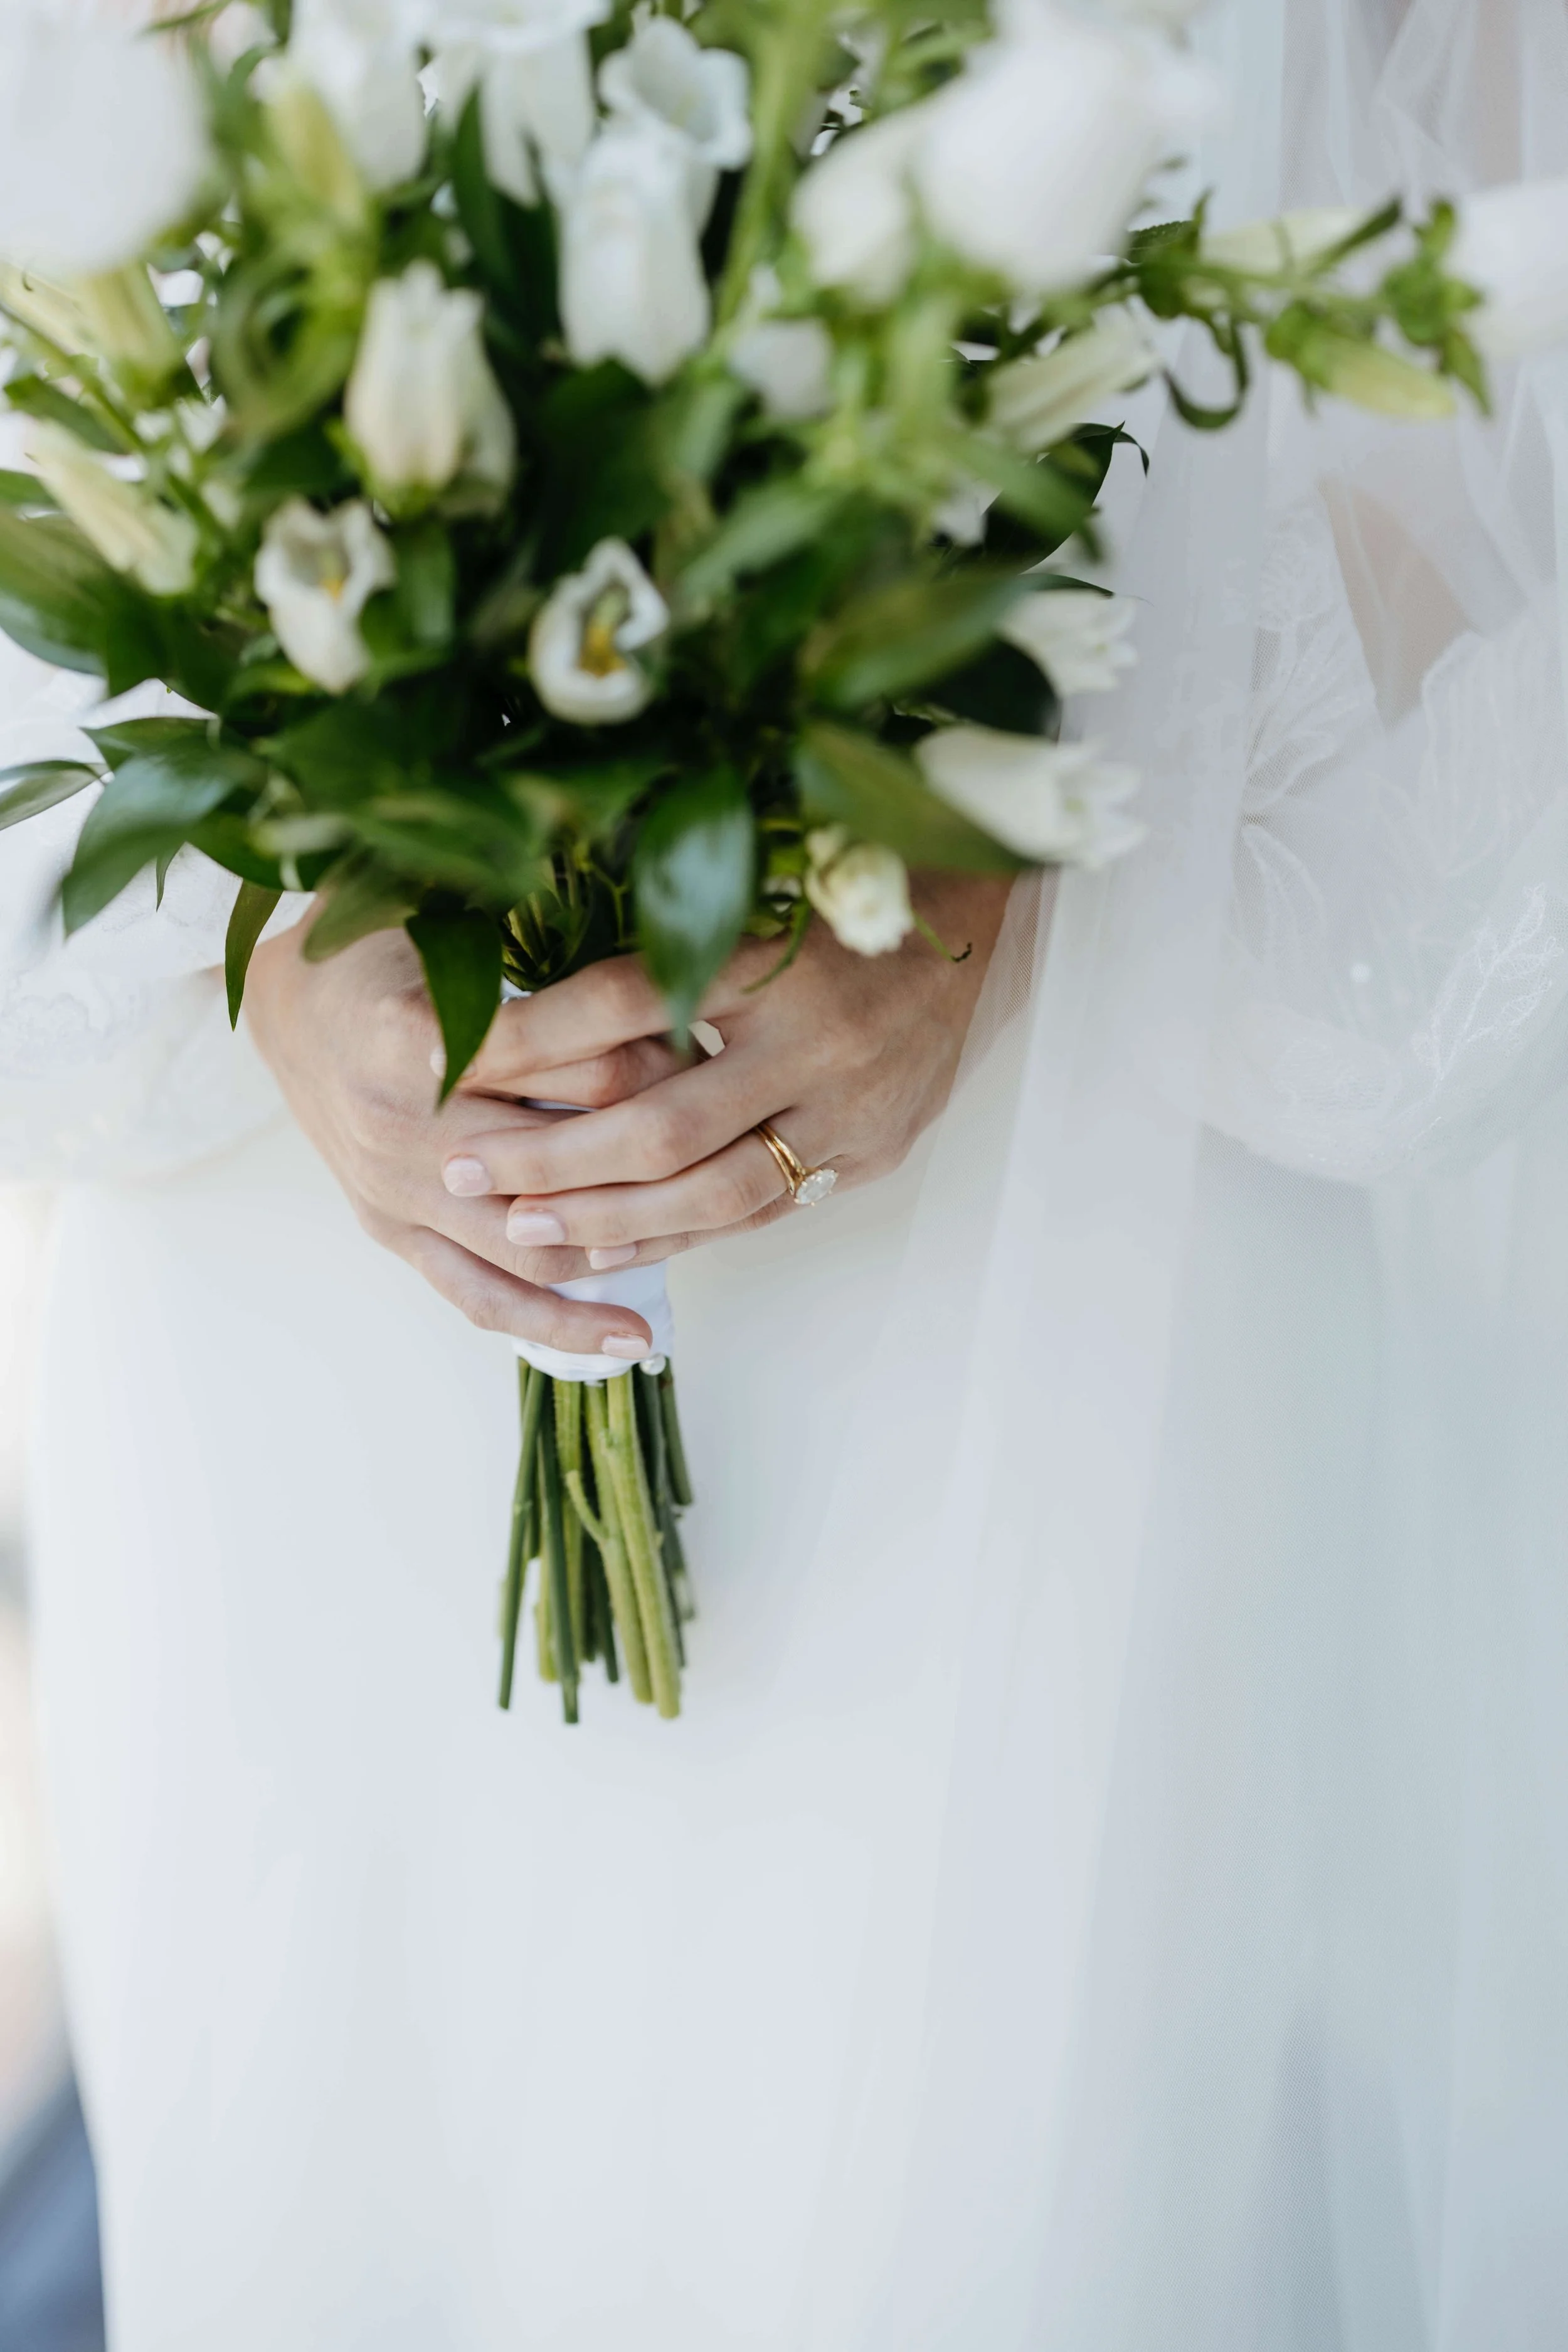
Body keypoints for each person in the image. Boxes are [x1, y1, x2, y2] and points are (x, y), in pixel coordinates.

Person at [5, 0, 1568, 2343]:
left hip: (1050, 1337)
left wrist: (1019, 857)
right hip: (302, 1396)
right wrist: (255, 931)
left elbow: (1487, 460)